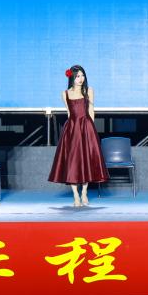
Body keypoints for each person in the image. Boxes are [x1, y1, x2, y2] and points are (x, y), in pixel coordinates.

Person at [48, 65, 108, 207]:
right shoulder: (65, 93)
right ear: (72, 78)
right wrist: (70, 130)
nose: (81, 79)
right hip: (72, 129)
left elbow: (91, 110)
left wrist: (91, 129)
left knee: (86, 160)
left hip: (86, 127)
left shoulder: (89, 91)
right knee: (73, 162)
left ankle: (84, 192)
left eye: (82, 75)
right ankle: (75, 195)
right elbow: (69, 113)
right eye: (77, 76)